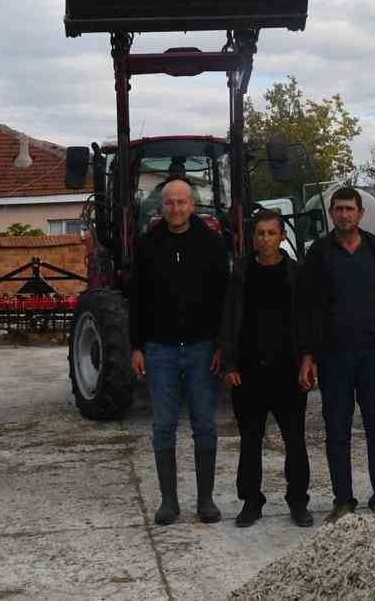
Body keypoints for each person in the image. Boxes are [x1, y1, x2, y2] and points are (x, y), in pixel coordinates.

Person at [296, 186, 375, 523]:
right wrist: (309, 355)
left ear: (361, 213)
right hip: (335, 359)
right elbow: (307, 310)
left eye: (349, 209)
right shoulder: (318, 256)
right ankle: (343, 500)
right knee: (337, 431)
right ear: (331, 214)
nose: (344, 215)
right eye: (338, 209)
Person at [130, 178, 230, 525]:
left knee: (204, 424)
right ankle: (169, 501)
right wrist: (137, 346)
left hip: (202, 349)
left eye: (182, 202)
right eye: (169, 202)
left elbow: (223, 299)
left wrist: (221, 345)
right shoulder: (146, 245)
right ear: (161, 206)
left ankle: (205, 500)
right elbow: (138, 299)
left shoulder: (212, 243)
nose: (175, 208)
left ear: (193, 205)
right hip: (159, 351)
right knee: (164, 426)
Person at [218, 208, 312, 528]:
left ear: (282, 237)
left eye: (272, 233)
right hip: (249, 372)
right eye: (260, 233)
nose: (266, 239)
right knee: (250, 440)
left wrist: (308, 360)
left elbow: (307, 321)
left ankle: (298, 501)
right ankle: (251, 501)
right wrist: (229, 363)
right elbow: (229, 320)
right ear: (253, 238)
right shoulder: (241, 273)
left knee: (295, 440)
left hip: (288, 371)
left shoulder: (296, 274)